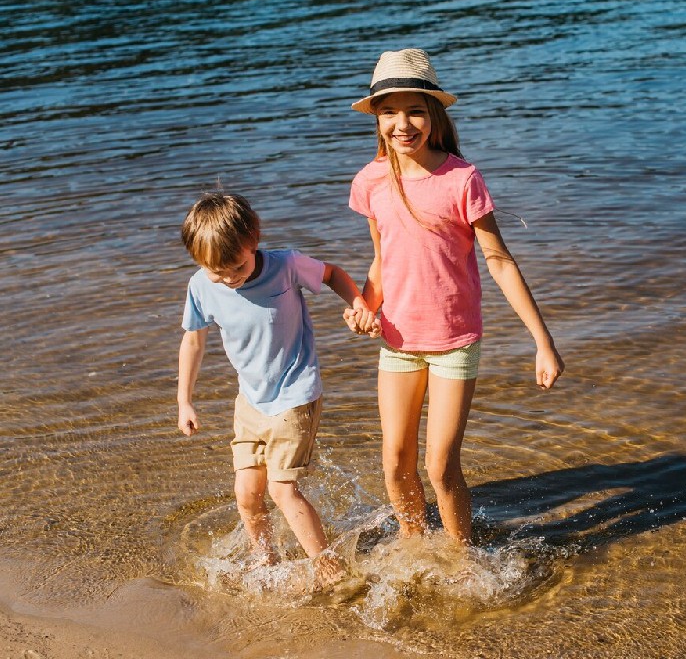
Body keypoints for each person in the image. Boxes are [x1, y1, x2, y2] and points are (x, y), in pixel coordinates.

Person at [344, 48, 564, 546]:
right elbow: (383, 261)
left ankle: (462, 559)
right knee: (394, 462)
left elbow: (500, 260)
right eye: (389, 112)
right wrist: (364, 305)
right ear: (376, 119)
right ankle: (413, 544)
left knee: (440, 468)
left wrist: (542, 342)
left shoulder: (462, 179)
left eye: (415, 110)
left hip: (455, 341)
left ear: (434, 115)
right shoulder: (370, 182)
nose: (403, 123)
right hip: (398, 339)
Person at [176, 191, 378, 586]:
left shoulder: (285, 266)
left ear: (253, 239)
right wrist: (184, 400)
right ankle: (264, 558)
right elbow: (193, 341)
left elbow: (332, 273)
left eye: (236, 266)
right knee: (247, 492)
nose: (230, 278)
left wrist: (360, 305)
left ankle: (328, 567)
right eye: (218, 272)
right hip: (250, 400)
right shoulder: (201, 285)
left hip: (295, 393)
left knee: (282, 489)